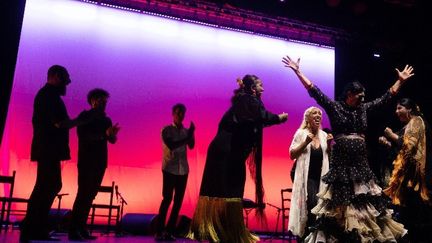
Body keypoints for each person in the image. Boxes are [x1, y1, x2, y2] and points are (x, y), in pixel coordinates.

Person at [282, 55, 414, 242]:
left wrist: (399, 81)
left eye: (363, 96)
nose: (362, 98)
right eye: (359, 95)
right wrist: (298, 71)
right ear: (349, 94)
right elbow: (314, 91)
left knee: (363, 202)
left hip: (360, 163)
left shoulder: (364, 109)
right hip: (342, 163)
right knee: (341, 204)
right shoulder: (335, 107)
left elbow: (385, 98)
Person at [189, 74, 288, 243]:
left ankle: (223, 231)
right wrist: (278, 118)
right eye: (260, 85)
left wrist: (273, 120)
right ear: (252, 88)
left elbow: (255, 120)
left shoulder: (244, 104)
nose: (263, 89)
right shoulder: (247, 100)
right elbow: (261, 115)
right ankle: (222, 231)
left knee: (227, 188)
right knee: (229, 188)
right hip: (226, 152)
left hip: (227, 152)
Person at [20, 65, 93, 242]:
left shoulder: (48, 95)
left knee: (46, 186)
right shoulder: (48, 96)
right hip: (48, 149)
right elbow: (59, 123)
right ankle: (33, 229)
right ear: (55, 76)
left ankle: (33, 229)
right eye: (65, 79)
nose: (67, 83)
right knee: (48, 186)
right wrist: (80, 120)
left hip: (47, 149)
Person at [68, 88, 120, 241]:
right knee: (83, 194)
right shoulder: (85, 116)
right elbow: (85, 136)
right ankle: (73, 229)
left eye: (105, 101)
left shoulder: (106, 120)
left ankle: (81, 228)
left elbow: (111, 140)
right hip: (86, 160)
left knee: (90, 195)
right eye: (101, 101)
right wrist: (105, 135)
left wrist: (112, 135)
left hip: (100, 161)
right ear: (93, 101)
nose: (104, 104)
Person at [383, 98, 432, 243]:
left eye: (399, 108)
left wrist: (391, 135)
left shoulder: (416, 122)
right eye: (396, 108)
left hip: (420, 179)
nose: (396, 112)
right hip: (410, 181)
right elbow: (402, 153)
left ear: (409, 109)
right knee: (410, 217)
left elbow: (409, 148)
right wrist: (388, 144)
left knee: (419, 218)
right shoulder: (408, 126)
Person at [288, 107, 332, 239]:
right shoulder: (301, 133)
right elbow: (292, 154)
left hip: (321, 179)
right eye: (314, 113)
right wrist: (305, 142)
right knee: (312, 205)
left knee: (320, 209)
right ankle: (306, 237)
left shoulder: (324, 136)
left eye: (320, 113)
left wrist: (329, 147)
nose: (318, 115)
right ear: (307, 118)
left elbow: (328, 160)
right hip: (306, 178)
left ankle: (316, 238)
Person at [155, 103, 195, 241]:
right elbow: (171, 145)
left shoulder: (185, 131)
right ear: (173, 114)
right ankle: (159, 231)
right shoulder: (166, 130)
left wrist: (191, 134)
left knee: (178, 202)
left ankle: (169, 231)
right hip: (170, 169)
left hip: (183, 170)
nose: (180, 115)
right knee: (167, 199)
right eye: (178, 113)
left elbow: (191, 146)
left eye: (182, 113)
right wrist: (188, 136)